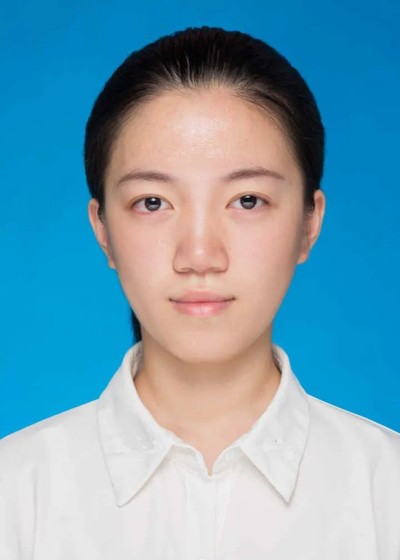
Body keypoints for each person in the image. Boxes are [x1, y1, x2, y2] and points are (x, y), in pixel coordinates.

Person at [0, 25, 399, 559]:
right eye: (153, 203)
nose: (200, 255)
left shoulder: (386, 493)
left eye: (248, 200)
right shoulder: (15, 495)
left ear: (310, 222)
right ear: (103, 229)